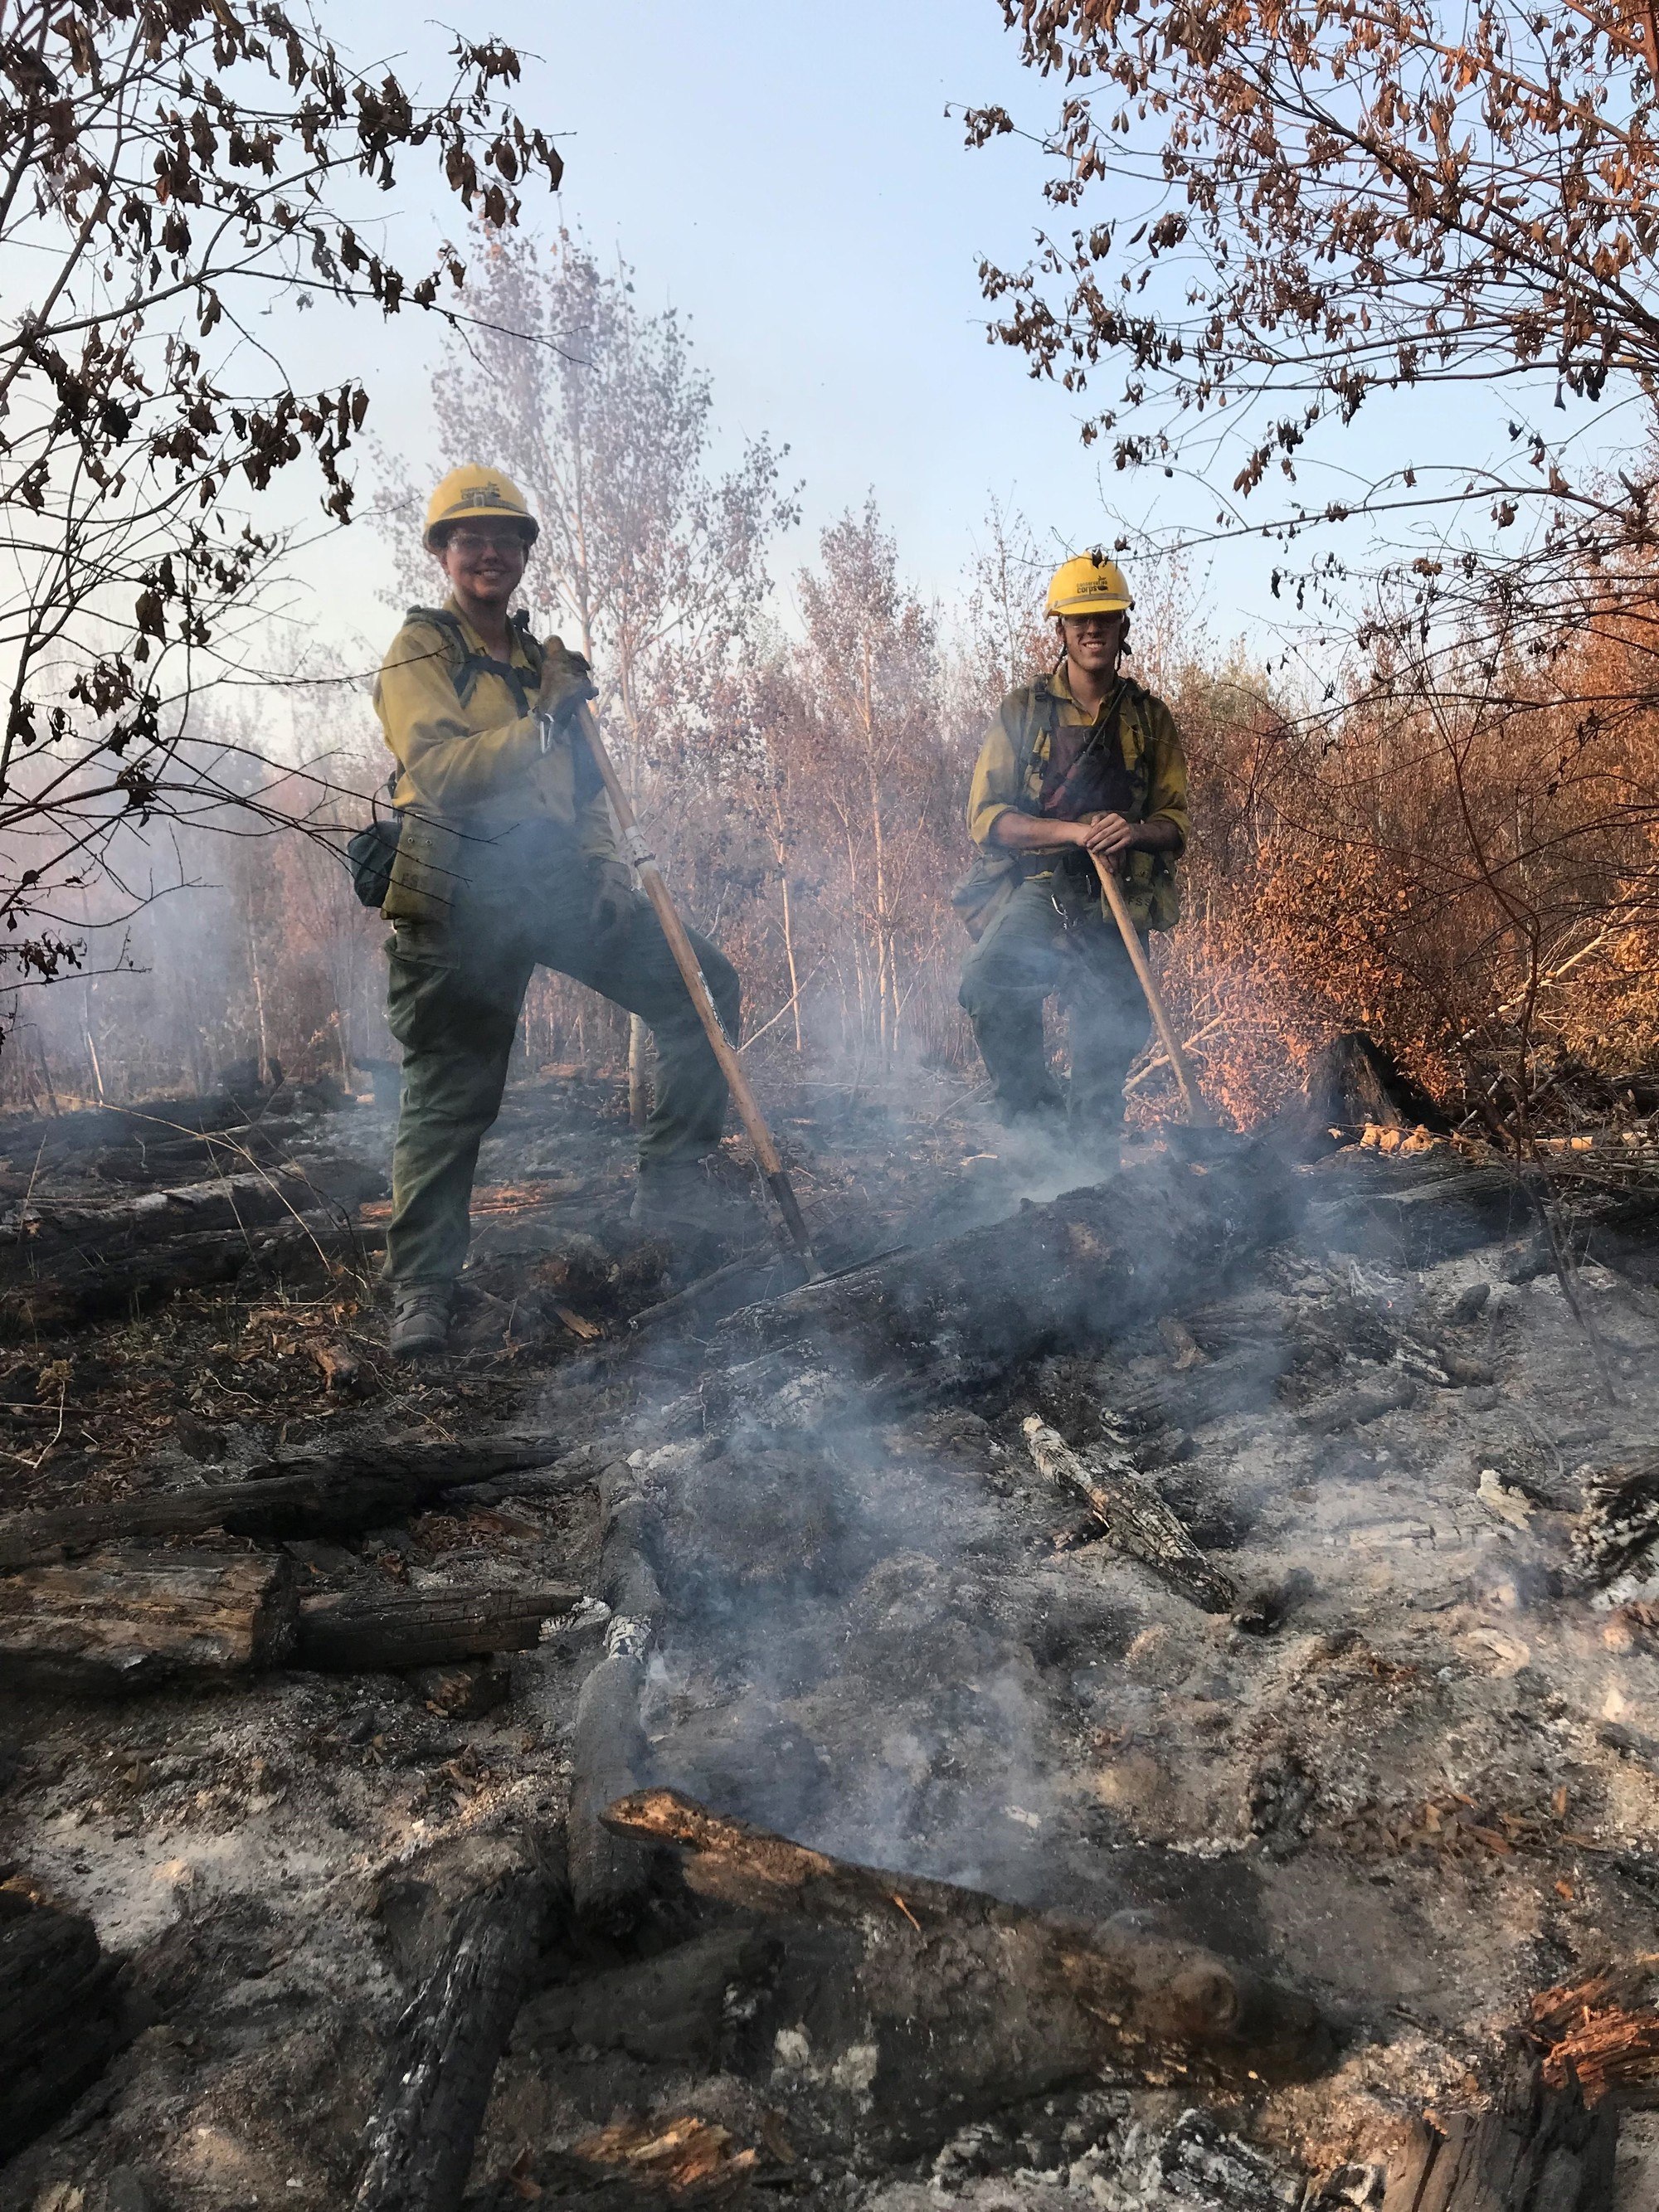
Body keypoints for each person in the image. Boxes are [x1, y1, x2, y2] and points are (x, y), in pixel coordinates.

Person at [372, 465, 742, 1359]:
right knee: (451, 1090)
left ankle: (670, 1191)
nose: (489, 552)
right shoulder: (421, 651)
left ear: (524, 553)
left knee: (704, 989)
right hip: (463, 888)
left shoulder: (545, 665)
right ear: (441, 554)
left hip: (559, 884)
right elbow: (442, 772)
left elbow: (584, 793)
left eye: (506, 538)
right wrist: (541, 719)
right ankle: (422, 1285)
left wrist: (606, 867)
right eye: (470, 539)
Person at [956, 552, 1189, 1159]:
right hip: (1043, 891)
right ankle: (1036, 1123)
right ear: (1060, 629)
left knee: (1107, 1037)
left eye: (1105, 618)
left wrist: (1130, 833)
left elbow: (1175, 824)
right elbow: (987, 819)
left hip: (1119, 903)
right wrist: (1072, 832)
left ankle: (1090, 1162)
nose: (1093, 629)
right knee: (987, 979)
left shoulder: (1150, 718)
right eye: (1079, 618)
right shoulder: (1022, 712)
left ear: (1122, 627)